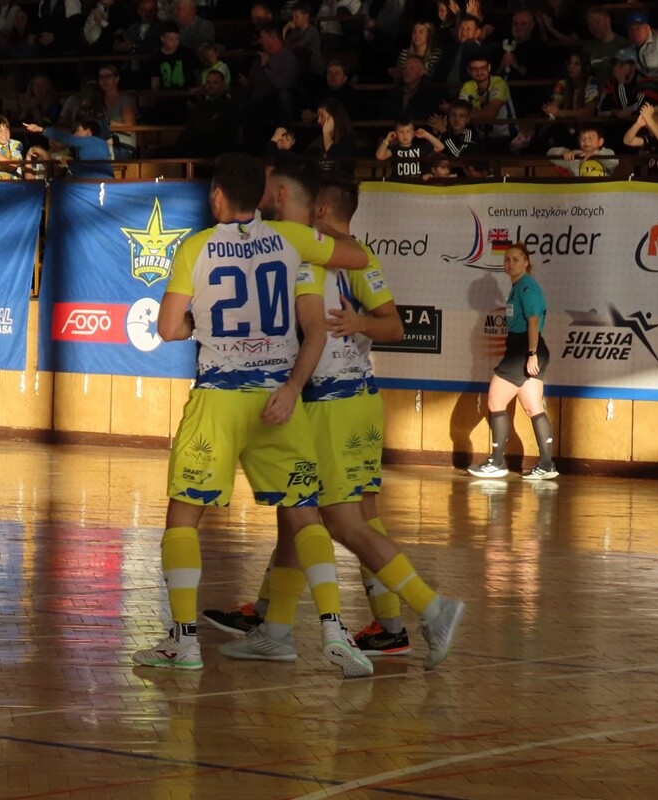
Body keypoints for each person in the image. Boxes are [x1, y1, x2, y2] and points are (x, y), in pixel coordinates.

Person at [131, 153, 377, 677]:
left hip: (219, 396)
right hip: (277, 398)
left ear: (217, 195)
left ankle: (184, 641)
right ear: (261, 197)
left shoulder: (194, 248)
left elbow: (169, 329)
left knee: (183, 517)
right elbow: (356, 259)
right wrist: (326, 235)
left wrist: (207, 311)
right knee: (304, 515)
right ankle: (335, 630)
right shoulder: (293, 241)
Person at [207, 170, 466, 668]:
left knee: (341, 520)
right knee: (298, 511)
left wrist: (350, 330)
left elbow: (370, 325)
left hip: (331, 400)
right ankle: (281, 628)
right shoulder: (342, 254)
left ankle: (430, 608)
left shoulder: (310, 252)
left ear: (306, 206)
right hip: (345, 397)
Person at [468, 242, 557, 480]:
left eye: (516, 259)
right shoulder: (517, 287)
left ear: (526, 262)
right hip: (527, 348)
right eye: (507, 259)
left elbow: (533, 321)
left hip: (524, 350)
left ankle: (497, 462)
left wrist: (531, 353)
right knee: (533, 407)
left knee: (495, 401)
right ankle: (547, 464)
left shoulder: (527, 286)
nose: (510, 263)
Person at [23, 118, 114, 178]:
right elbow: (81, 171)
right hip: (107, 182)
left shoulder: (88, 140)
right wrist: (70, 163)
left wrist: (41, 129)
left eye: (78, 131)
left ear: (88, 133)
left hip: (91, 184)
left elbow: (66, 138)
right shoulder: (104, 145)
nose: (74, 134)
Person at [375, 117, 445, 182]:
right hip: (399, 185)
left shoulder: (420, 147)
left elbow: (440, 147)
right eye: (401, 132)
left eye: (408, 131)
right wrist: (387, 139)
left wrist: (426, 134)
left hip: (418, 184)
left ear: (413, 133)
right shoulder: (394, 149)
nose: (405, 135)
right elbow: (379, 156)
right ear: (395, 133)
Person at [548, 122, 618, 176]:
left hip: (602, 191)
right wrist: (564, 151)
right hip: (580, 191)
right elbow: (550, 154)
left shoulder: (606, 152)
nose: (586, 141)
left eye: (590, 138)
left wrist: (596, 154)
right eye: (582, 138)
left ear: (600, 142)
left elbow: (614, 163)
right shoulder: (575, 155)